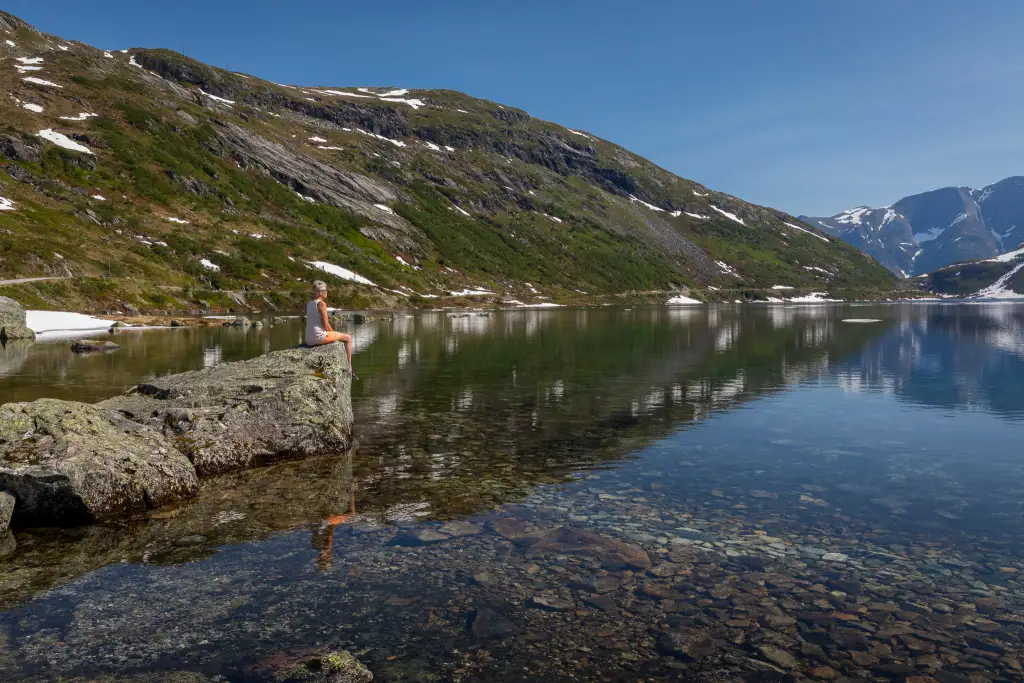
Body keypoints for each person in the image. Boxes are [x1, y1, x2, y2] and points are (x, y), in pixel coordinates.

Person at [305, 280, 357, 378]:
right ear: (320, 292)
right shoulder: (321, 304)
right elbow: (325, 324)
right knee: (348, 338)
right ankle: (349, 367)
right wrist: (334, 333)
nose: (327, 292)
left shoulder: (309, 303)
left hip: (309, 339)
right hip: (319, 337)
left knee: (340, 336)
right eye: (325, 290)